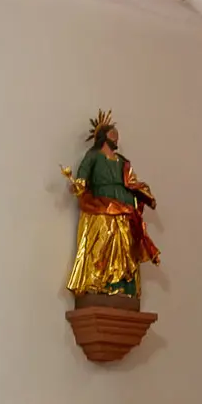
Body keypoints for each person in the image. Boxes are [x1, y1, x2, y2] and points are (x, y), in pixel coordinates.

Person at [63, 111, 160, 301]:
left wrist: (147, 196)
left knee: (125, 246)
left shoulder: (122, 161)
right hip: (102, 205)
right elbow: (82, 176)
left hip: (124, 207)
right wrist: (78, 185)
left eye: (117, 136)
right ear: (103, 137)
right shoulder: (93, 156)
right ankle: (100, 282)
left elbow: (133, 183)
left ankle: (122, 285)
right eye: (113, 134)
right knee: (103, 241)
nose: (116, 138)